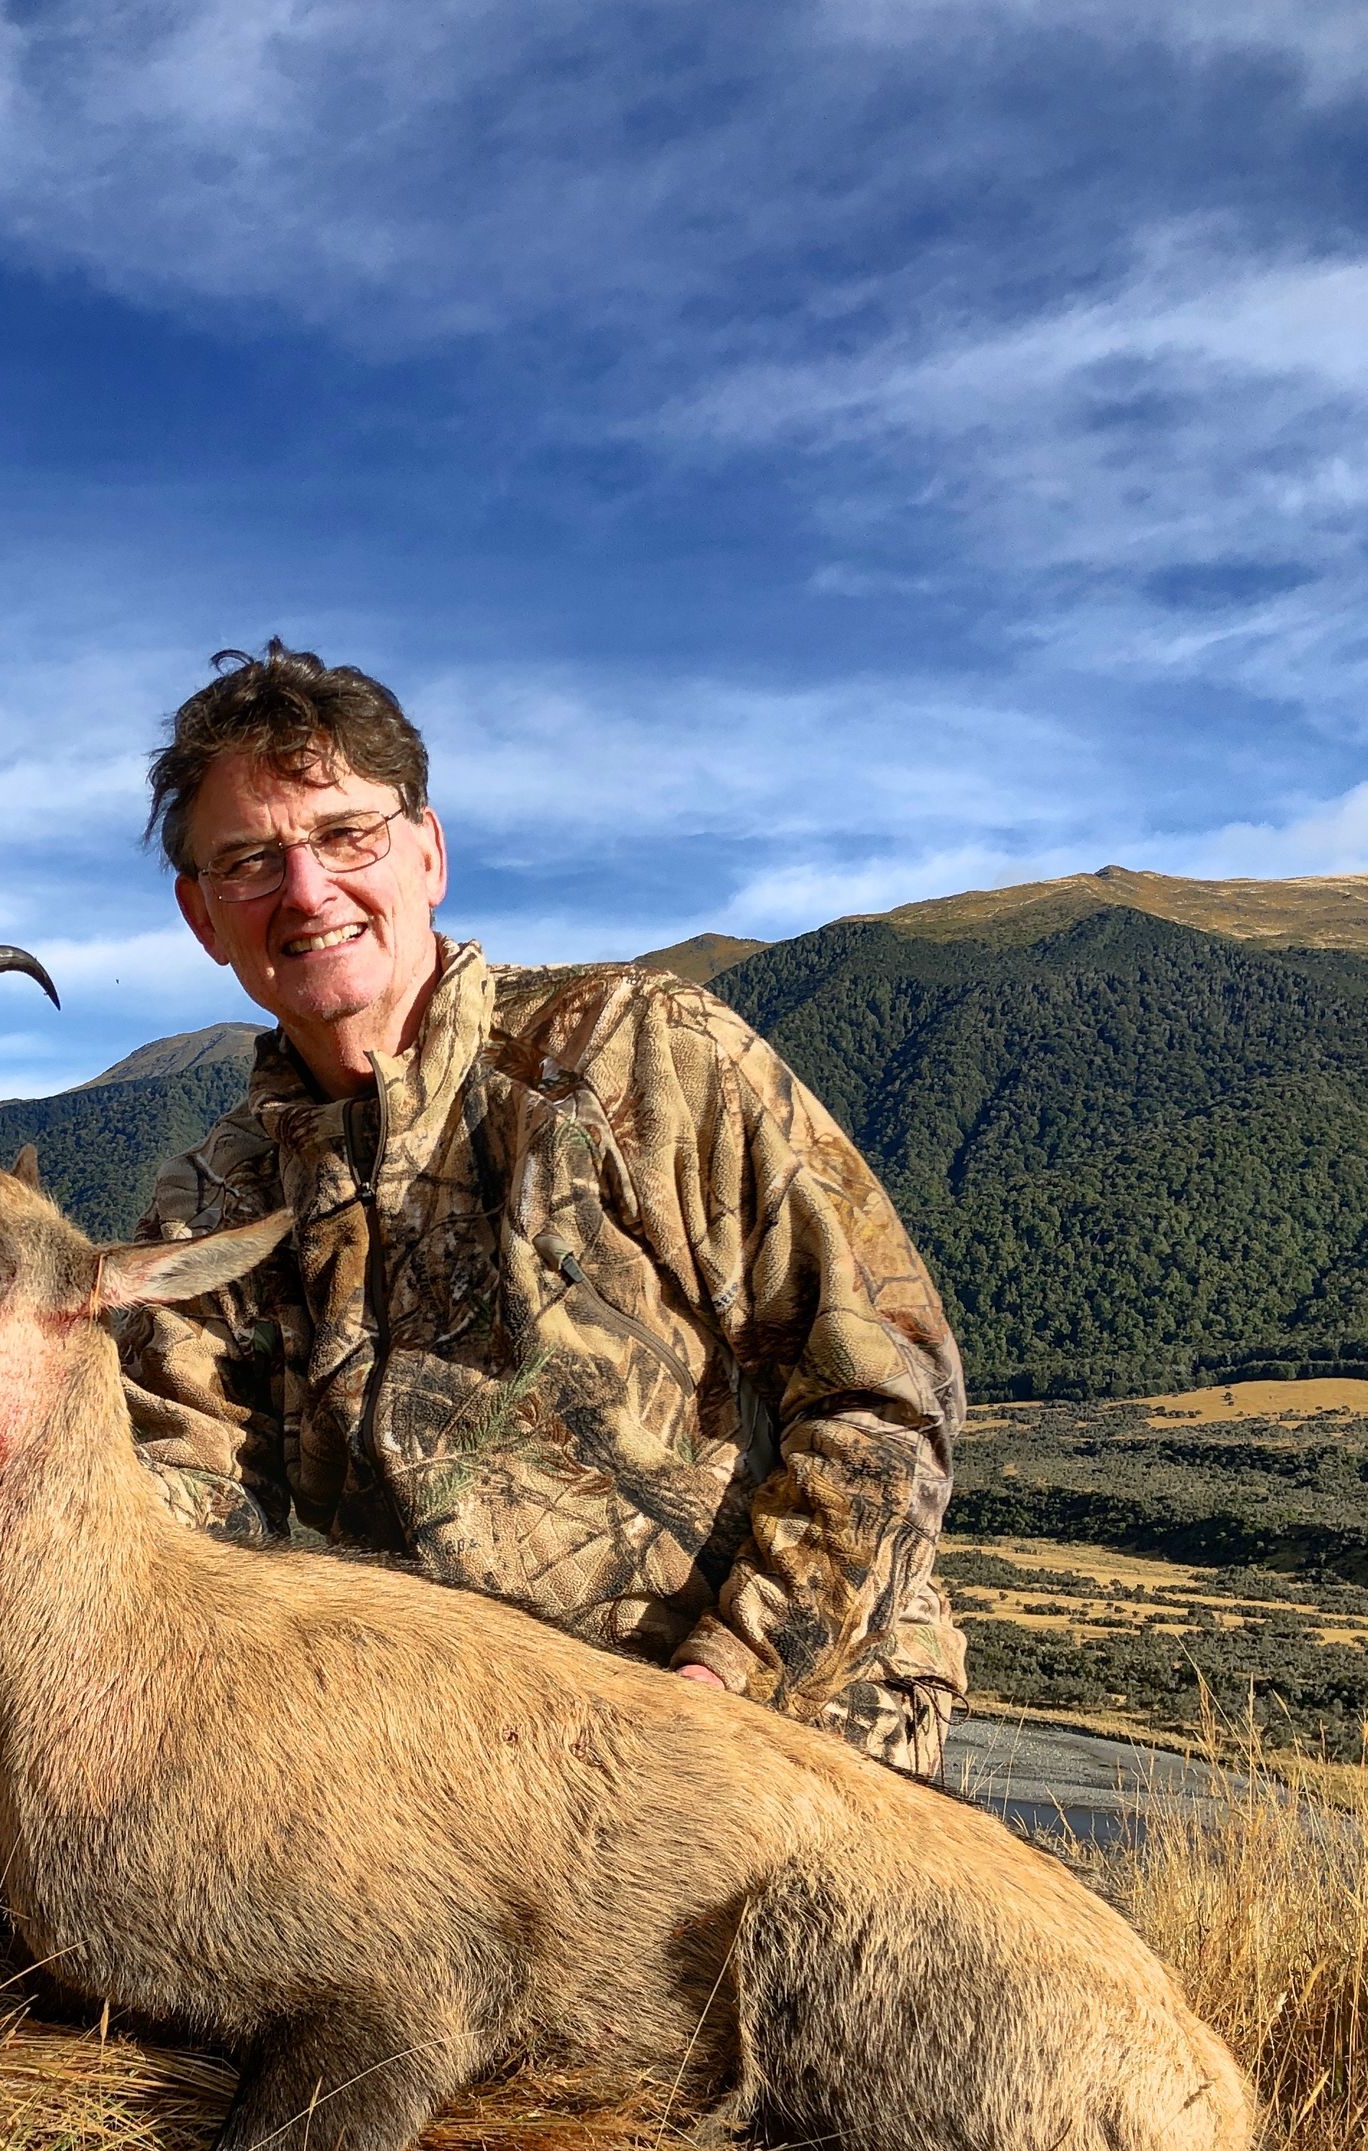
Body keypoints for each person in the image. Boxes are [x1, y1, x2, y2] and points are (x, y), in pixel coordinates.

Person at [117, 640, 966, 1778]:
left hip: (773, 1708)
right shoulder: (212, 1207)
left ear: (428, 853)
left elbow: (885, 1393)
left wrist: (718, 1695)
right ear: (202, 915)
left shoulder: (640, 1054)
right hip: (455, 1762)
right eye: (251, 861)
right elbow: (186, 1525)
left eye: (345, 835)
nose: (307, 891)